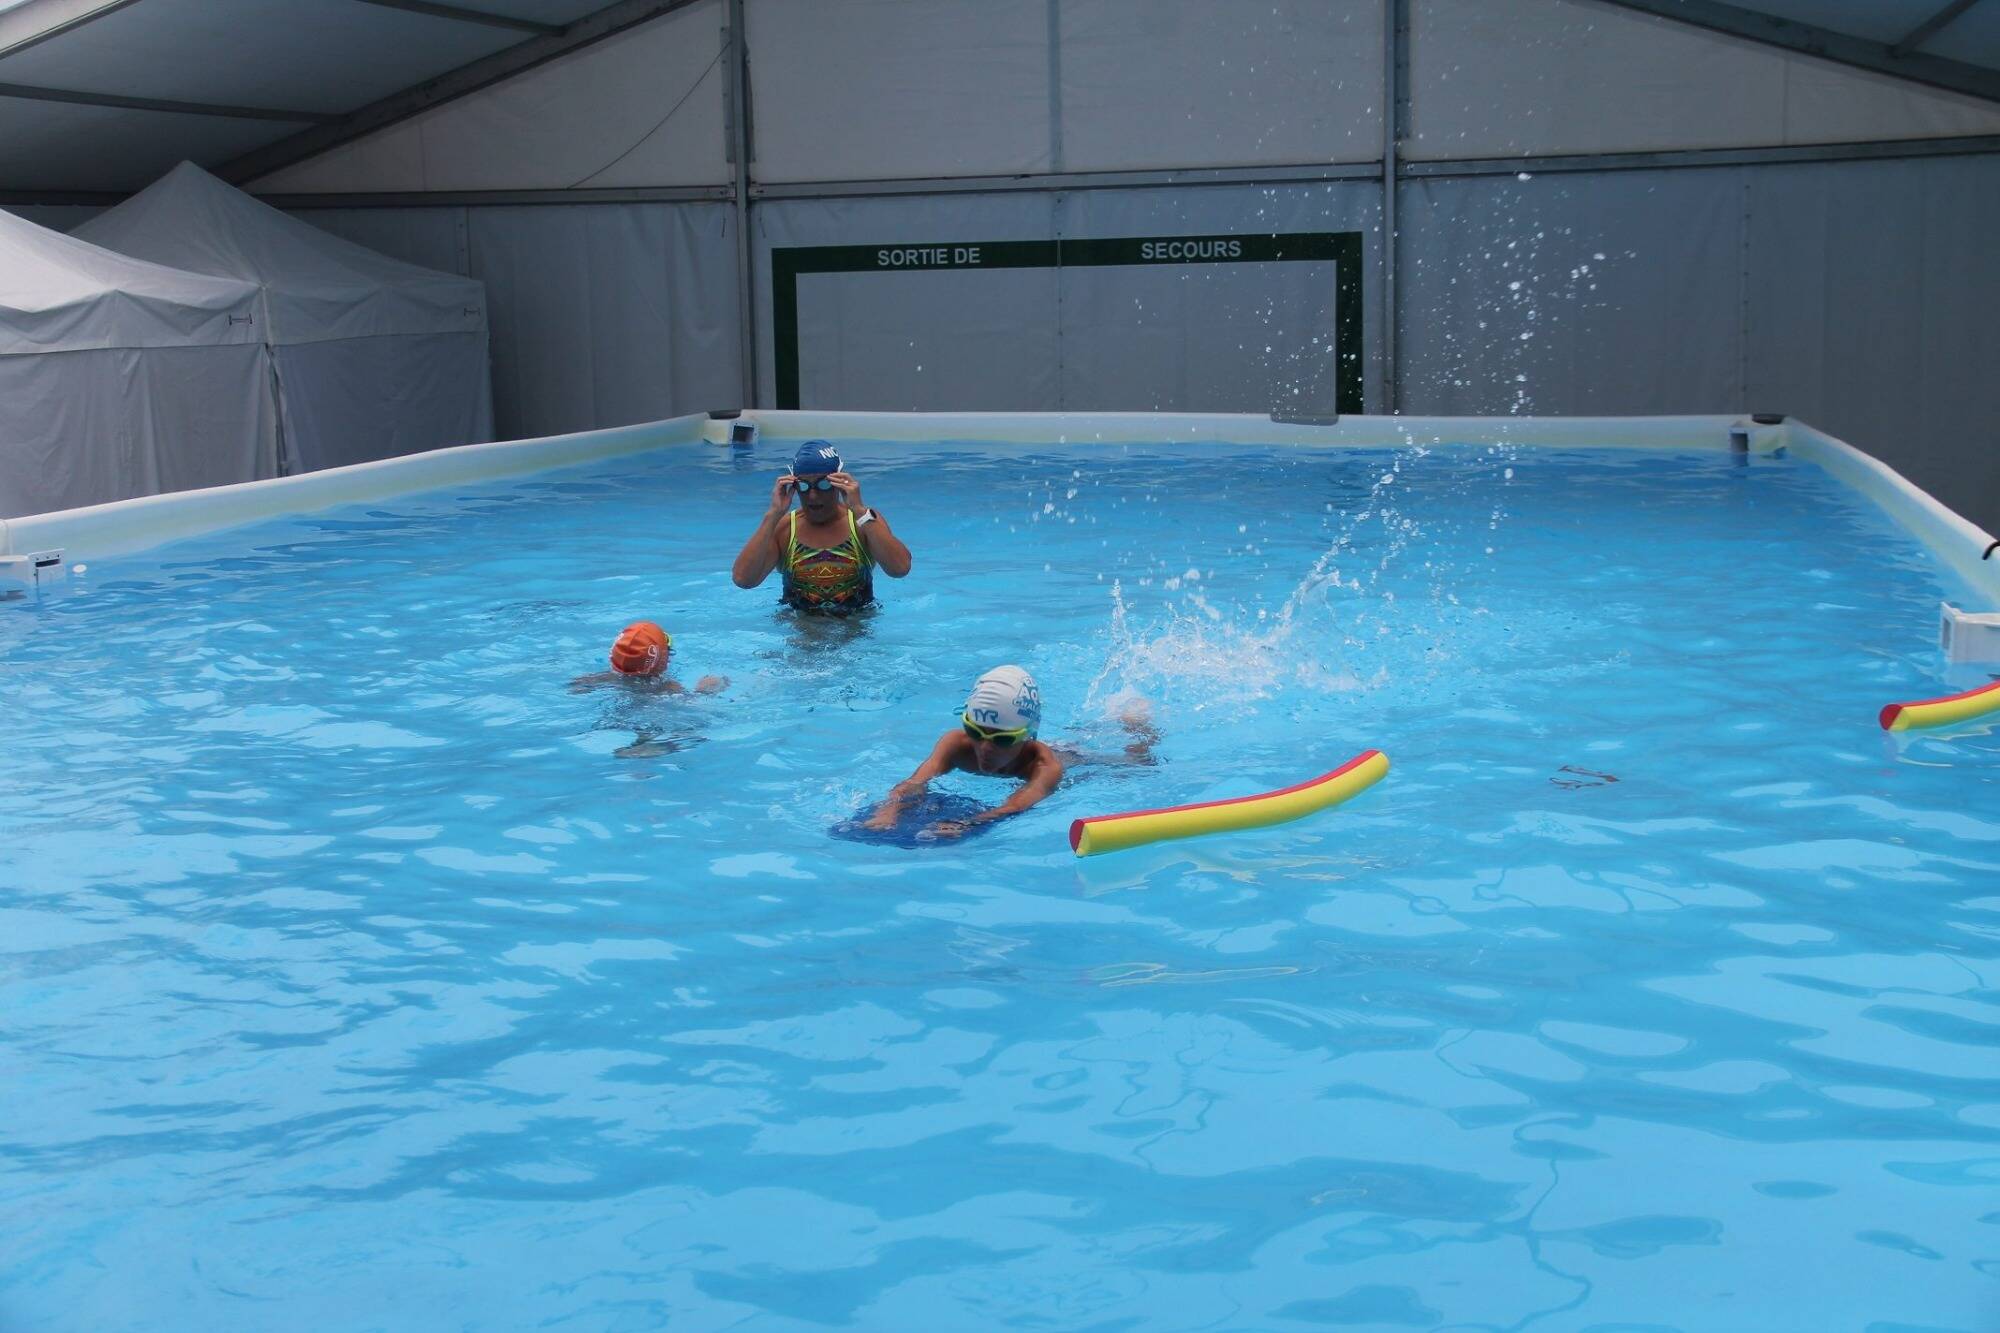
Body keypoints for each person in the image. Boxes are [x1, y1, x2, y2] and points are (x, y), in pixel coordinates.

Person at [865, 666, 1158, 840]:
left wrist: (969, 823)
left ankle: (1139, 728)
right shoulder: (955, 745)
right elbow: (916, 782)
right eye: (976, 732)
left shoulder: (1046, 768)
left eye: (1002, 739)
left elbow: (1016, 805)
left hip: (1074, 759)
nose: (984, 748)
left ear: (1027, 736)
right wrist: (889, 809)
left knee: (1139, 763)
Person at [731, 441, 912, 613]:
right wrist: (772, 515)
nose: (813, 495)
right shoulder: (784, 528)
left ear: (839, 482)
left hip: (856, 633)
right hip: (801, 634)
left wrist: (858, 509)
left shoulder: (864, 521)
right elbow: (743, 580)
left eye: (823, 484)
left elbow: (900, 569)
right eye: (803, 486)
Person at [568, 621, 726, 696]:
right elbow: (694, 707)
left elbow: (574, 687)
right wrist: (705, 690)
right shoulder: (669, 687)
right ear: (662, 659)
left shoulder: (600, 679)